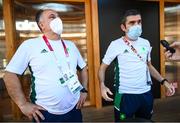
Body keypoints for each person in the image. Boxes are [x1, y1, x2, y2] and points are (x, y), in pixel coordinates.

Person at [3, 9, 88, 122]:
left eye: (58, 16)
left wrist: (84, 90)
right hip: (44, 113)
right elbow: (9, 75)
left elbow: (83, 68)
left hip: (74, 109)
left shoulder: (70, 45)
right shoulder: (30, 45)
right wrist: (23, 104)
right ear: (41, 25)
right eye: (52, 17)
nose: (58, 19)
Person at [98, 9, 175, 122]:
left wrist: (164, 82)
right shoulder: (115, 45)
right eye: (132, 23)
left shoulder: (146, 43)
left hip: (146, 94)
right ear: (123, 27)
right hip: (125, 95)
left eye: (139, 22)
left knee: (146, 121)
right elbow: (102, 68)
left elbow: (149, 66)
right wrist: (102, 85)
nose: (137, 25)